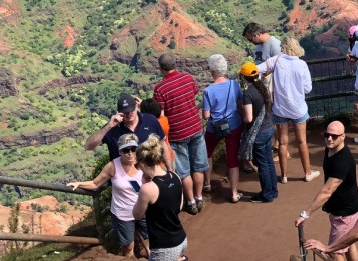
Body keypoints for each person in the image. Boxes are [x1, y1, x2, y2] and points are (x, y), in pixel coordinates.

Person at [132, 134, 206, 261]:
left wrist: (145, 186)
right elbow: (180, 205)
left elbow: (137, 215)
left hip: (164, 246)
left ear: (144, 163)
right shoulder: (173, 176)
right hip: (179, 238)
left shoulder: (148, 188)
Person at [295, 121, 358, 261]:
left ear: (343, 137)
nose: (330, 139)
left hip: (344, 213)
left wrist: (306, 213)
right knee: (349, 246)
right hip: (348, 208)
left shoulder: (342, 161)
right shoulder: (330, 149)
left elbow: (327, 191)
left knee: (335, 251)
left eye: (334, 136)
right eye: (327, 135)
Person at [68, 132, 149, 258]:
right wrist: (79, 184)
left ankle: (152, 260)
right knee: (128, 247)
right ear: (120, 151)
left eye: (133, 149)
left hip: (143, 209)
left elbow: (154, 181)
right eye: (126, 150)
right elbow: (96, 184)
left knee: (149, 237)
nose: (130, 153)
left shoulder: (142, 164)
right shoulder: (113, 166)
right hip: (123, 212)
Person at [257, 36, 318, 183]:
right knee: (302, 141)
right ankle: (307, 173)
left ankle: (284, 176)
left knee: (283, 143)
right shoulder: (301, 64)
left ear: (283, 47)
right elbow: (308, 88)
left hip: (280, 109)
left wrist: (262, 83)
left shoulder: (275, 61)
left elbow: (256, 69)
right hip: (298, 109)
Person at [153, 52, 207, 214]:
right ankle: (199, 197)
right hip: (195, 127)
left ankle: (190, 202)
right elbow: (193, 94)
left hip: (177, 134)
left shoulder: (160, 89)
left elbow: (160, 114)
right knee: (198, 166)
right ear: (175, 65)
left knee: (184, 171)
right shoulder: (188, 78)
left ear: (161, 68)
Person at [201, 54, 246, 203]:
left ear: (212, 71)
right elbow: (240, 104)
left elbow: (206, 116)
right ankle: (234, 193)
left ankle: (207, 184)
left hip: (215, 127)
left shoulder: (208, 91)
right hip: (233, 125)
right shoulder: (234, 85)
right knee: (232, 158)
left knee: (207, 152)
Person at [238, 61, 278, 202]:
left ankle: (267, 195)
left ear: (243, 77)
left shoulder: (248, 94)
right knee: (268, 162)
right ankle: (273, 191)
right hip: (268, 128)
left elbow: (248, 118)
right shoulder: (263, 87)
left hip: (259, 133)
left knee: (262, 164)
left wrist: (241, 117)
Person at [84, 93, 165, 161]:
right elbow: (88, 146)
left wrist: (169, 169)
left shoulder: (150, 120)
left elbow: (162, 145)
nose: (129, 114)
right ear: (119, 112)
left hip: (147, 172)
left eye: (131, 111)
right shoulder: (112, 127)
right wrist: (108, 126)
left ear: (136, 107)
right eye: (125, 112)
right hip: (122, 174)